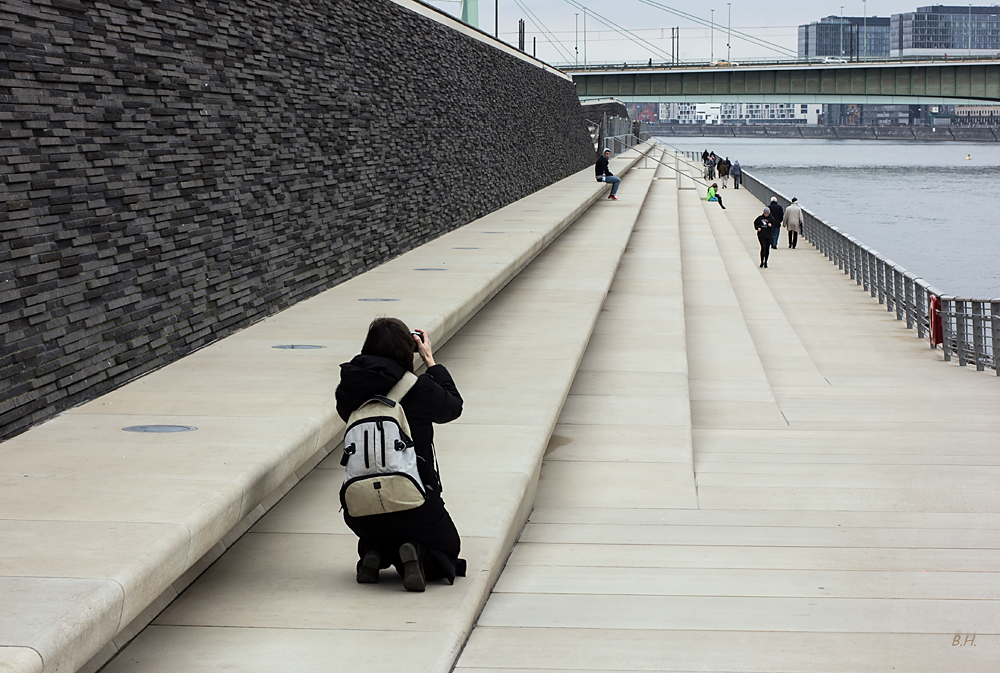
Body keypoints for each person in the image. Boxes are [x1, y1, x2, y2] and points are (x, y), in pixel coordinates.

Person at [336, 317, 465, 591]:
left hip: (360, 507)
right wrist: (430, 361)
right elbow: (453, 407)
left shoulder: (348, 389)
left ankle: (374, 550)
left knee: (382, 529)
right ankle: (414, 552)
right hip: (416, 501)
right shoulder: (420, 388)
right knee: (448, 549)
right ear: (409, 349)